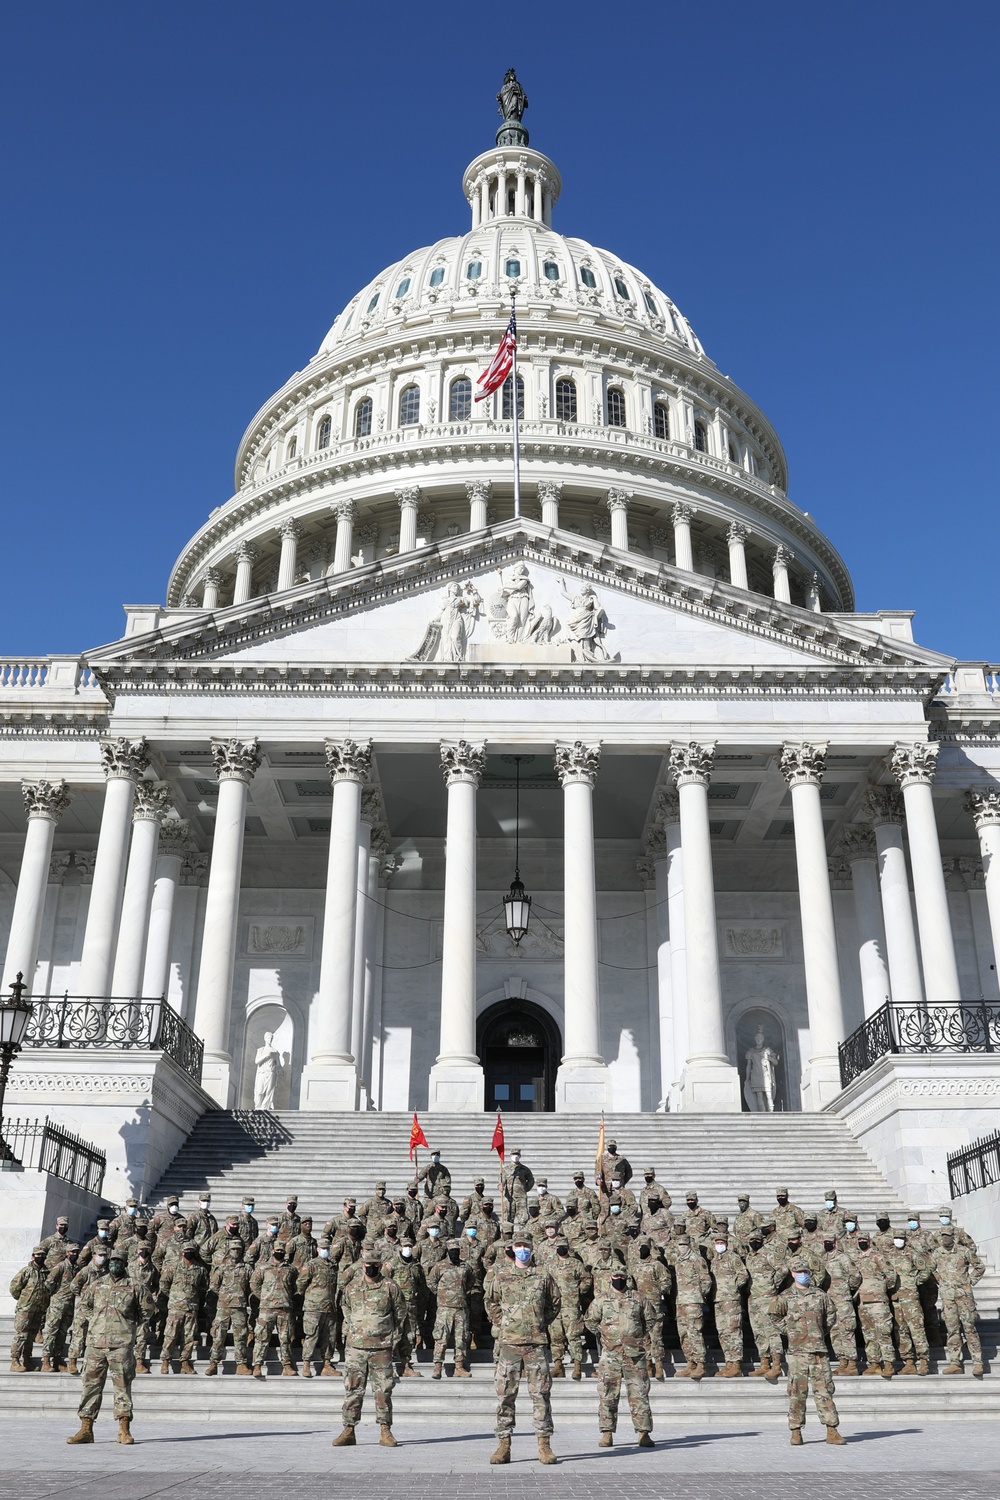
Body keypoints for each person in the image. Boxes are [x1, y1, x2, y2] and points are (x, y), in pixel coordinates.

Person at [485, 1232, 560, 1465]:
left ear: (532, 1248)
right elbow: (491, 1302)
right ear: (512, 1249)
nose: (522, 1249)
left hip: (536, 1345)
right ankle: (503, 1445)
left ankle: (544, 1445)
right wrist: (503, 1322)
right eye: (518, 1245)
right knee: (506, 1396)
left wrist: (538, 1323)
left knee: (541, 1396)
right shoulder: (501, 1275)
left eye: (526, 1245)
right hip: (509, 1345)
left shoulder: (542, 1275)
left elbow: (555, 1303)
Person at [332, 1248, 406, 1448]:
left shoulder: (390, 1287)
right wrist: (353, 1326)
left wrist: (391, 1336)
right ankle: (348, 1430)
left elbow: (400, 1312)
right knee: (353, 1389)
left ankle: (385, 1430)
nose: (371, 1268)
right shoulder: (352, 1287)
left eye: (375, 1265)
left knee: (383, 1390)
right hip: (356, 1347)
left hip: (381, 1347)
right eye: (368, 1265)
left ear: (380, 1266)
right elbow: (345, 1306)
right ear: (362, 1265)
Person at [66, 1250, 140, 1446]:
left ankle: (124, 1430)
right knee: (90, 1387)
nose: (115, 1264)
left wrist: (127, 1325)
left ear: (125, 1264)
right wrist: (97, 1321)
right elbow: (85, 1306)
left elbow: (147, 1311)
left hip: (120, 1346)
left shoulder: (134, 1286)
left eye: (119, 1261)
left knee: (123, 1387)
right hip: (96, 1344)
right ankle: (86, 1429)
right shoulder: (97, 1285)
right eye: (113, 1260)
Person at [769, 1258, 845, 1446]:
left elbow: (831, 1316)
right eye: (799, 1271)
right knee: (797, 1392)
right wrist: (790, 1331)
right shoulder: (785, 1296)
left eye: (806, 1271)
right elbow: (774, 1316)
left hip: (818, 1350)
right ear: (793, 1274)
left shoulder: (820, 1295)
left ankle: (831, 1429)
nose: (803, 1274)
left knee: (824, 1390)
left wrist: (820, 1332)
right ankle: (795, 1431)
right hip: (797, 1352)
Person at [585, 1267, 656, 1449]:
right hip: (611, 1354)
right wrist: (604, 1335)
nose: (619, 1279)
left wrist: (638, 1337)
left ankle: (643, 1433)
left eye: (622, 1277)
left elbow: (650, 1319)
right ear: (610, 1278)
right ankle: (606, 1433)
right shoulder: (601, 1299)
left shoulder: (638, 1298)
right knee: (608, 1394)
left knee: (639, 1394)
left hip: (634, 1355)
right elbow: (590, 1321)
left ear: (627, 1278)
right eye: (616, 1276)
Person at [933, 1228, 985, 1375]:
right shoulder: (937, 1253)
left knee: (969, 1328)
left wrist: (970, 1281)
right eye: (943, 1236)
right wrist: (939, 1280)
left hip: (964, 1296)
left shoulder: (964, 1251)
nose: (945, 1239)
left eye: (948, 1236)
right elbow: (930, 1269)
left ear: (953, 1237)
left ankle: (978, 1362)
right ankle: (955, 1362)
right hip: (948, 1298)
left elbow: (980, 1267)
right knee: (952, 1330)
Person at [250, 1239, 298, 1377]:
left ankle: (287, 1365)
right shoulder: (263, 1268)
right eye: (277, 1250)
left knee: (286, 1339)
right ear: (272, 1251)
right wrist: (264, 1297)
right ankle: (257, 1365)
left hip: (284, 1309)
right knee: (261, 1337)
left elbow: (295, 1287)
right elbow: (254, 1284)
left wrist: (287, 1297)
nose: (279, 1252)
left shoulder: (291, 1269)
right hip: (267, 1309)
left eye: (282, 1251)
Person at [427, 1239, 474, 1378]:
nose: (454, 1252)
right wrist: (442, 1294)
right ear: (448, 1251)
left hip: (461, 1308)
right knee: (441, 1337)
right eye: (452, 1250)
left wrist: (462, 1292)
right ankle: (437, 1366)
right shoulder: (440, 1266)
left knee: (461, 1339)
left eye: (457, 1250)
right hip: (444, 1308)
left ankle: (459, 1366)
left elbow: (471, 1280)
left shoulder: (465, 1266)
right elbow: (431, 1281)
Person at [206, 1238, 252, 1376]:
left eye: (238, 1249)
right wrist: (216, 1304)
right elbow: (213, 1287)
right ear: (229, 1250)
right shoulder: (221, 1268)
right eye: (233, 1249)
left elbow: (252, 1288)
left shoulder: (247, 1268)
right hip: (223, 1307)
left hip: (240, 1308)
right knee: (219, 1336)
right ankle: (213, 1363)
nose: (236, 1252)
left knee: (241, 1337)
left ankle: (241, 1364)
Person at [160, 1243, 207, 1374]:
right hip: (176, 1308)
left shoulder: (200, 1269)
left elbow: (204, 1286)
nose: (189, 1253)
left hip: (191, 1308)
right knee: (170, 1335)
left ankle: (185, 1362)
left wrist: (194, 1297)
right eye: (187, 1251)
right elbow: (164, 1284)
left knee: (189, 1337)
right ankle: (165, 1361)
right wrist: (174, 1297)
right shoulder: (173, 1267)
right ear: (182, 1252)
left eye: (191, 1251)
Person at [9, 1243, 52, 1372]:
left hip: (39, 1310)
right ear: (33, 1256)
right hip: (25, 1309)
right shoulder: (26, 1271)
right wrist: (24, 1301)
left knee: (31, 1335)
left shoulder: (46, 1272)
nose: (40, 1257)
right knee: (21, 1335)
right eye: (38, 1255)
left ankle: (27, 1359)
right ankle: (15, 1360)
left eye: (42, 1255)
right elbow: (14, 1288)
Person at [41, 1241, 81, 1371]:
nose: (74, 1254)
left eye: (76, 1252)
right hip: (57, 1304)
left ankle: (57, 1360)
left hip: (69, 1305)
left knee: (62, 1333)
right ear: (67, 1253)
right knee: (52, 1331)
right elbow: (49, 1282)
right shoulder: (61, 1266)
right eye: (72, 1252)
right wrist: (54, 1295)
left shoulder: (76, 1268)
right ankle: (46, 1361)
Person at [253, 1031, 282, 1109]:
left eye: (271, 1038)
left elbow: (278, 1064)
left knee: (269, 1092)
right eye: (269, 1038)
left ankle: (265, 1107)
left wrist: (277, 1068)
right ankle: (258, 1107)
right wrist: (266, 1055)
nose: (270, 1039)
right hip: (262, 1072)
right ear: (265, 1039)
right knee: (259, 1091)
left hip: (271, 1073)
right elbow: (256, 1061)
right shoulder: (260, 1050)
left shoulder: (275, 1052)